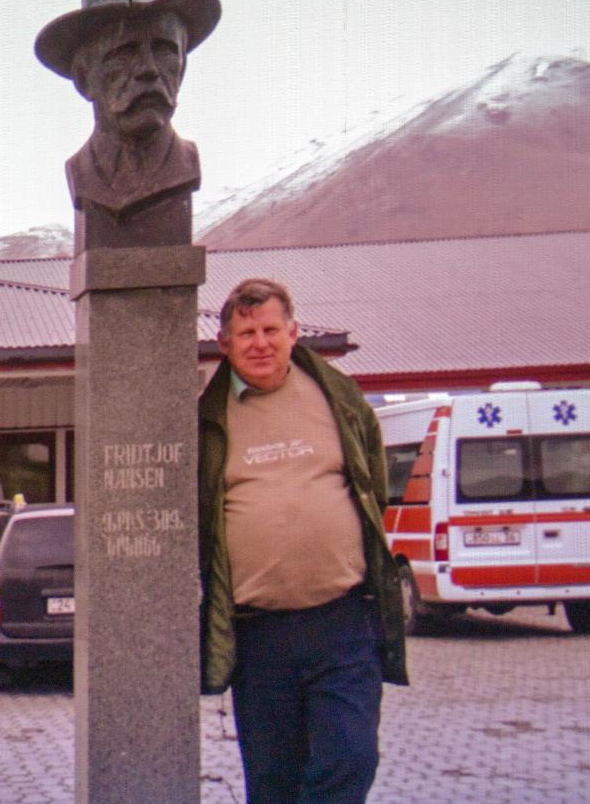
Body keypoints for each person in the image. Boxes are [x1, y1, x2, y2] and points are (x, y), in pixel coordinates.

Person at [198, 278, 408, 803]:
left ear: (294, 333)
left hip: (341, 623)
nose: (260, 342)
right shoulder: (206, 421)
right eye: (246, 332)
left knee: (350, 757)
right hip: (257, 635)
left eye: (271, 329)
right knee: (273, 784)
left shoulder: (339, 399)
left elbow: (371, 488)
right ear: (224, 344)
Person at [34, 0, 221, 216]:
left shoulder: (185, 164)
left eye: (164, 49)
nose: (149, 69)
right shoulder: (81, 172)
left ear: (183, 67)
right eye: (124, 52)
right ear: (83, 79)